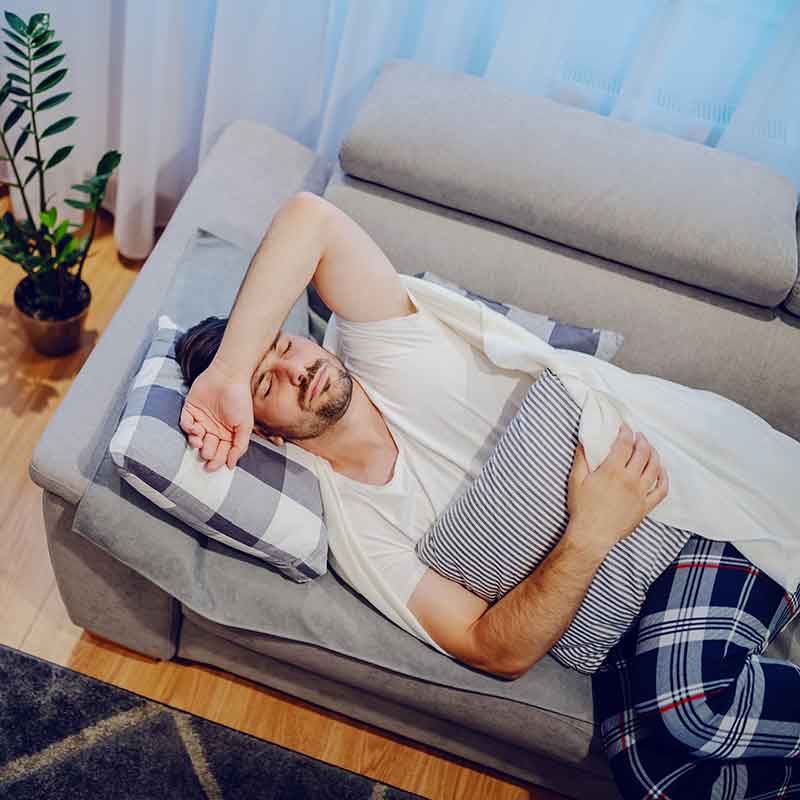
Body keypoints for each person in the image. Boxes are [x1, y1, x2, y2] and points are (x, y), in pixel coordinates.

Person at [176, 191, 800, 799]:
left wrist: (230, 373)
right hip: (626, 606)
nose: (297, 369)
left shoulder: (385, 348)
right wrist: (590, 533)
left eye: (284, 345)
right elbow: (492, 649)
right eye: (267, 384)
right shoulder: (355, 525)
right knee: (660, 779)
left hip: (690, 512)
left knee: (691, 707)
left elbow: (309, 217)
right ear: (263, 433)